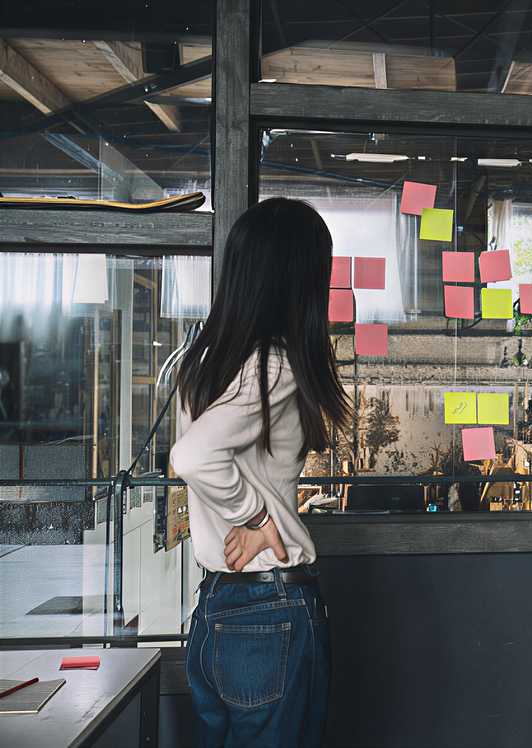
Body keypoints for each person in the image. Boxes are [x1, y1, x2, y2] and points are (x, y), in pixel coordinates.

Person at [172, 197, 352, 748]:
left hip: (215, 611)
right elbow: (193, 457)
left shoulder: (201, 363)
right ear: (296, 280)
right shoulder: (273, 364)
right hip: (270, 610)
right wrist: (253, 516)